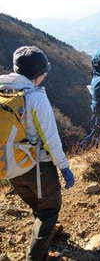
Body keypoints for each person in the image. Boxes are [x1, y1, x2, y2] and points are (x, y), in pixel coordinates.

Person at [0, 46, 75, 261]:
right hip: (35, 165)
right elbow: (50, 138)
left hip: (6, 164)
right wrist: (63, 167)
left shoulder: (3, 90)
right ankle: (36, 256)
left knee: (36, 201)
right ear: (39, 74)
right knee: (50, 208)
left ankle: (47, 231)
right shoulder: (35, 97)